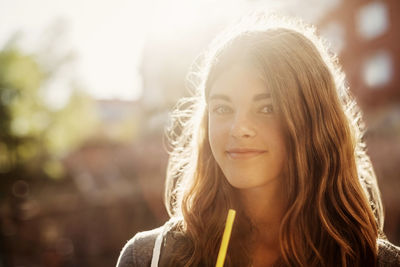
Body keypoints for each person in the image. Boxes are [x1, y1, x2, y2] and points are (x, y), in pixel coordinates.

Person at [117, 14, 400, 267]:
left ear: (313, 121)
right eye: (223, 108)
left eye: (267, 108)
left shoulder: (378, 262)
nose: (239, 128)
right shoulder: (147, 258)